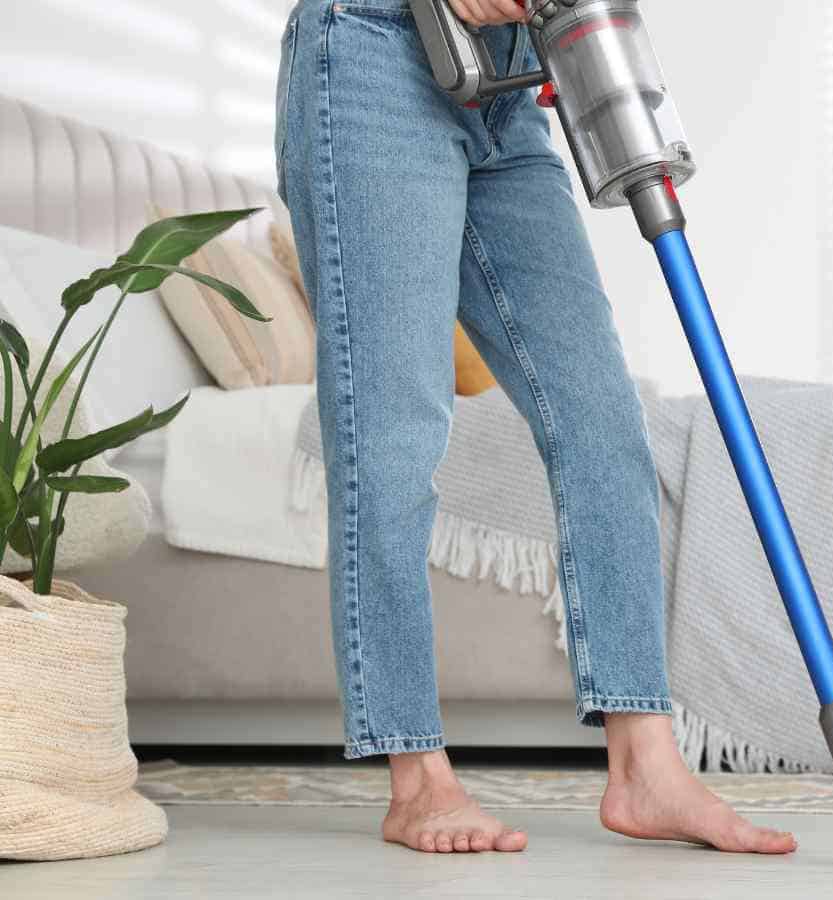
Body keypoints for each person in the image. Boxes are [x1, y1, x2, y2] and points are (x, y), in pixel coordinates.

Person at [274, 0, 796, 855]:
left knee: (604, 417)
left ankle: (646, 766)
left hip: (510, 80)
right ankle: (417, 778)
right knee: (394, 437)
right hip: (372, 54)